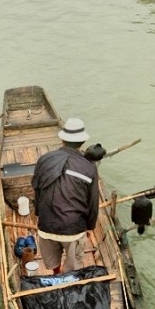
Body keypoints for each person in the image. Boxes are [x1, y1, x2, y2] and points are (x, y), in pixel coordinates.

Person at [31, 117, 99, 274]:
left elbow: (37, 190)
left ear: (62, 139)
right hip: (73, 229)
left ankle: (56, 272)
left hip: (46, 225)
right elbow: (93, 202)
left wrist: (38, 215)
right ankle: (68, 278)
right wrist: (90, 227)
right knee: (73, 266)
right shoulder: (89, 167)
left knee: (52, 259)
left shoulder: (44, 160)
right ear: (82, 142)